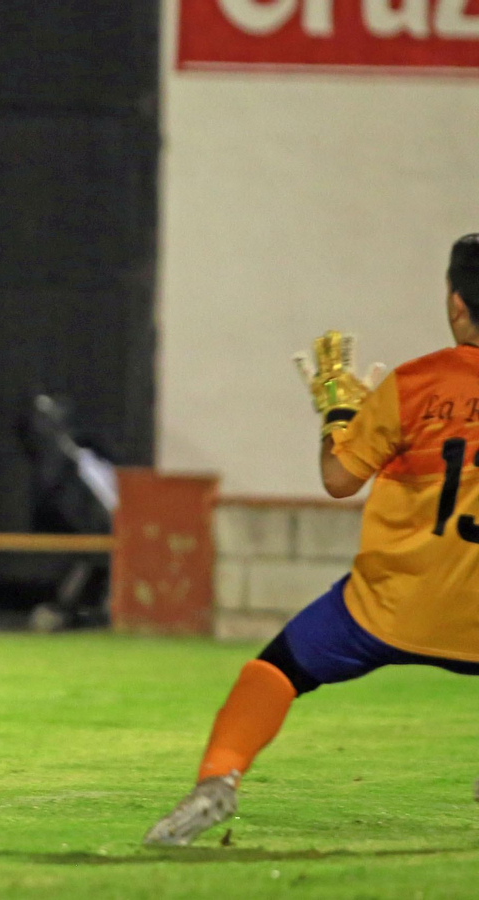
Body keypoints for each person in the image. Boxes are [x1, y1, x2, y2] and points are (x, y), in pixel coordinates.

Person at [145, 235, 479, 846]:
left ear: (457, 305)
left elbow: (338, 479)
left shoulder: (415, 385)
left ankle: (217, 781)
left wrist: (338, 415)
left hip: (389, 607)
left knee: (276, 669)